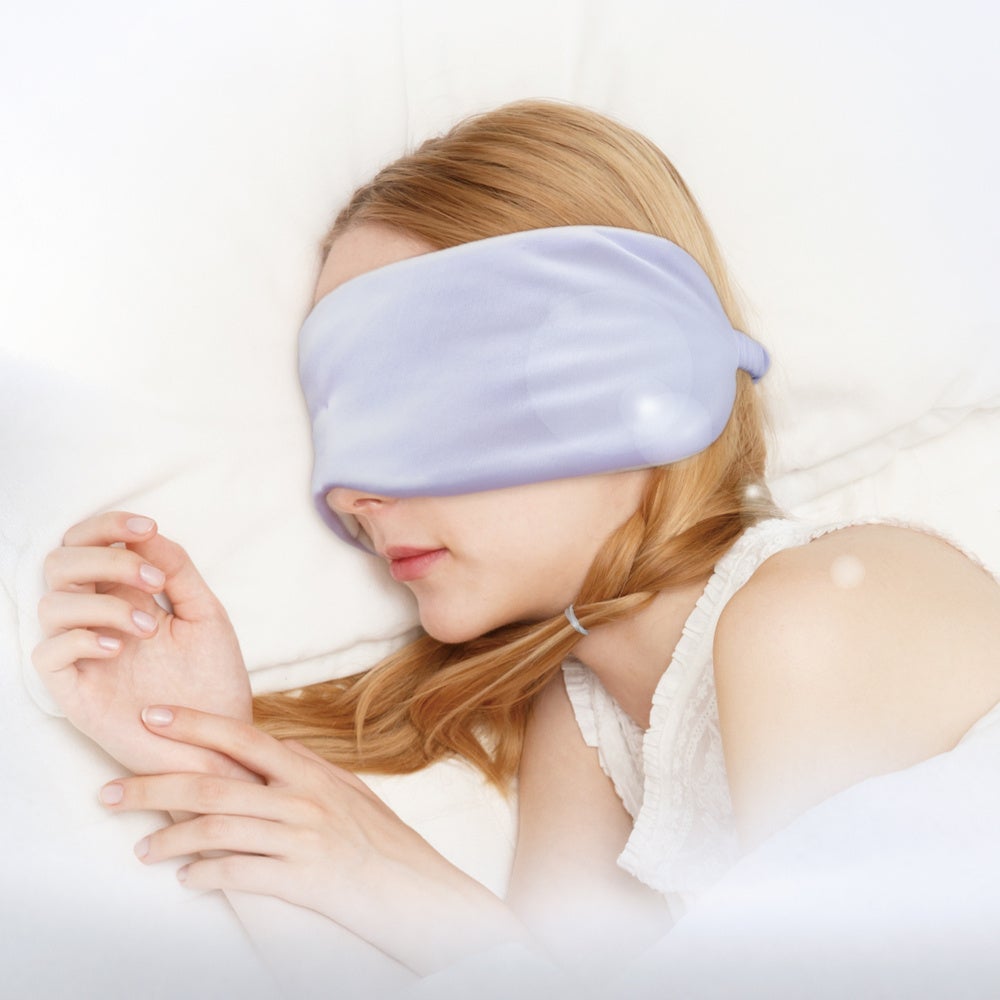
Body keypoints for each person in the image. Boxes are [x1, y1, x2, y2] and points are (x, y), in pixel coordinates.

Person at [31, 100, 1000, 985]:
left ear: (616, 363)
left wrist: (403, 882)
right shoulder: (586, 718)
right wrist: (203, 752)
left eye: (405, 395)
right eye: (337, 414)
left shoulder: (823, 609)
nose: (350, 489)